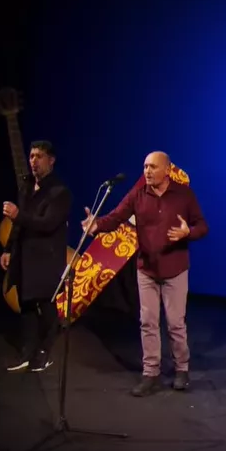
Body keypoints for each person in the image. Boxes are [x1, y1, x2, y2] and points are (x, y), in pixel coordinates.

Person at [81, 151, 208, 397]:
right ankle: (151, 373)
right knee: (148, 322)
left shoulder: (184, 195)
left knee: (175, 324)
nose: (147, 171)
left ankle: (181, 370)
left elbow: (202, 226)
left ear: (167, 170)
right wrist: (96, 226)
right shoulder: (138, 194)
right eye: (145, 167)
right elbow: (116, 217)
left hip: (175, 269)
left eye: (152, 167)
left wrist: (188, 233)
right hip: (147, 269)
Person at [2, 140, 72, 373]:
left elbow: (47, 224)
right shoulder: (26, 187)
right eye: (31, 156)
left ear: (51, 161)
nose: (34, 161)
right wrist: (8, 249)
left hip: (45, 259)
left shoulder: (59, 192)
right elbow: (18, 225)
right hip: (24, 256)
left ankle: (44, 351)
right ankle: (27, 351)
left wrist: (18, 215)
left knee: (46, 305)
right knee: (26, 304)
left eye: (39, 156)